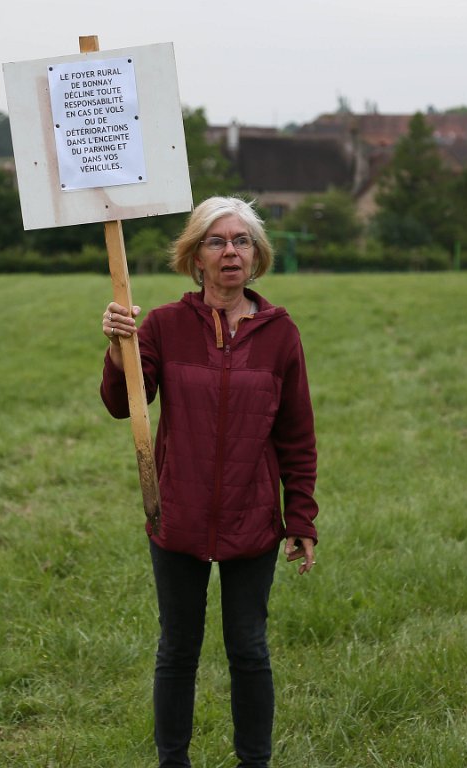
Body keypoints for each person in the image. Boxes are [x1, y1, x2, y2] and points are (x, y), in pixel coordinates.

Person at [99, 196, 319, 767]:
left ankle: (255, 762)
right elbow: (127, 405)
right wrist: (119, 346)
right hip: (178, 513)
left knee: (248, 649)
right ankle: (172, 761)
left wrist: (301, 517)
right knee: (177, 650)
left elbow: (297, 433)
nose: (230, 252)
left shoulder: (280, 334)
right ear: (196, 257)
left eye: (241, 241)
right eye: (217, 241)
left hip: (252, 519)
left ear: (257, 254)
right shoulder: (166, 326)